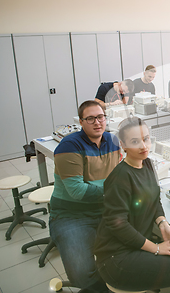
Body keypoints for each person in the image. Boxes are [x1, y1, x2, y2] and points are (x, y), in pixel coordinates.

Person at [94, 117, 170, 293]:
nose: (143, 146)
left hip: (136, 245)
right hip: (117, 258)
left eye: (146, 139)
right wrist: (157, 248)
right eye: (135, 141)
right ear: (124, 145)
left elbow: (154, 198)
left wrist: (162, 222)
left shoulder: (148, 164)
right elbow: (118, 225)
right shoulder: (119, 177)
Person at [49, 100, 121, 293]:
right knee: (81, 273)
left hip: (105, 208)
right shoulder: (69, 146)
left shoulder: (113, 141)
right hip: (71, 214)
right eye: (90, 118)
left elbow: (119, 176)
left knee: (131, 251)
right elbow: (78, 192)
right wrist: (116, 191)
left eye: (100, 117)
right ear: (81, 122)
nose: (97, 122)